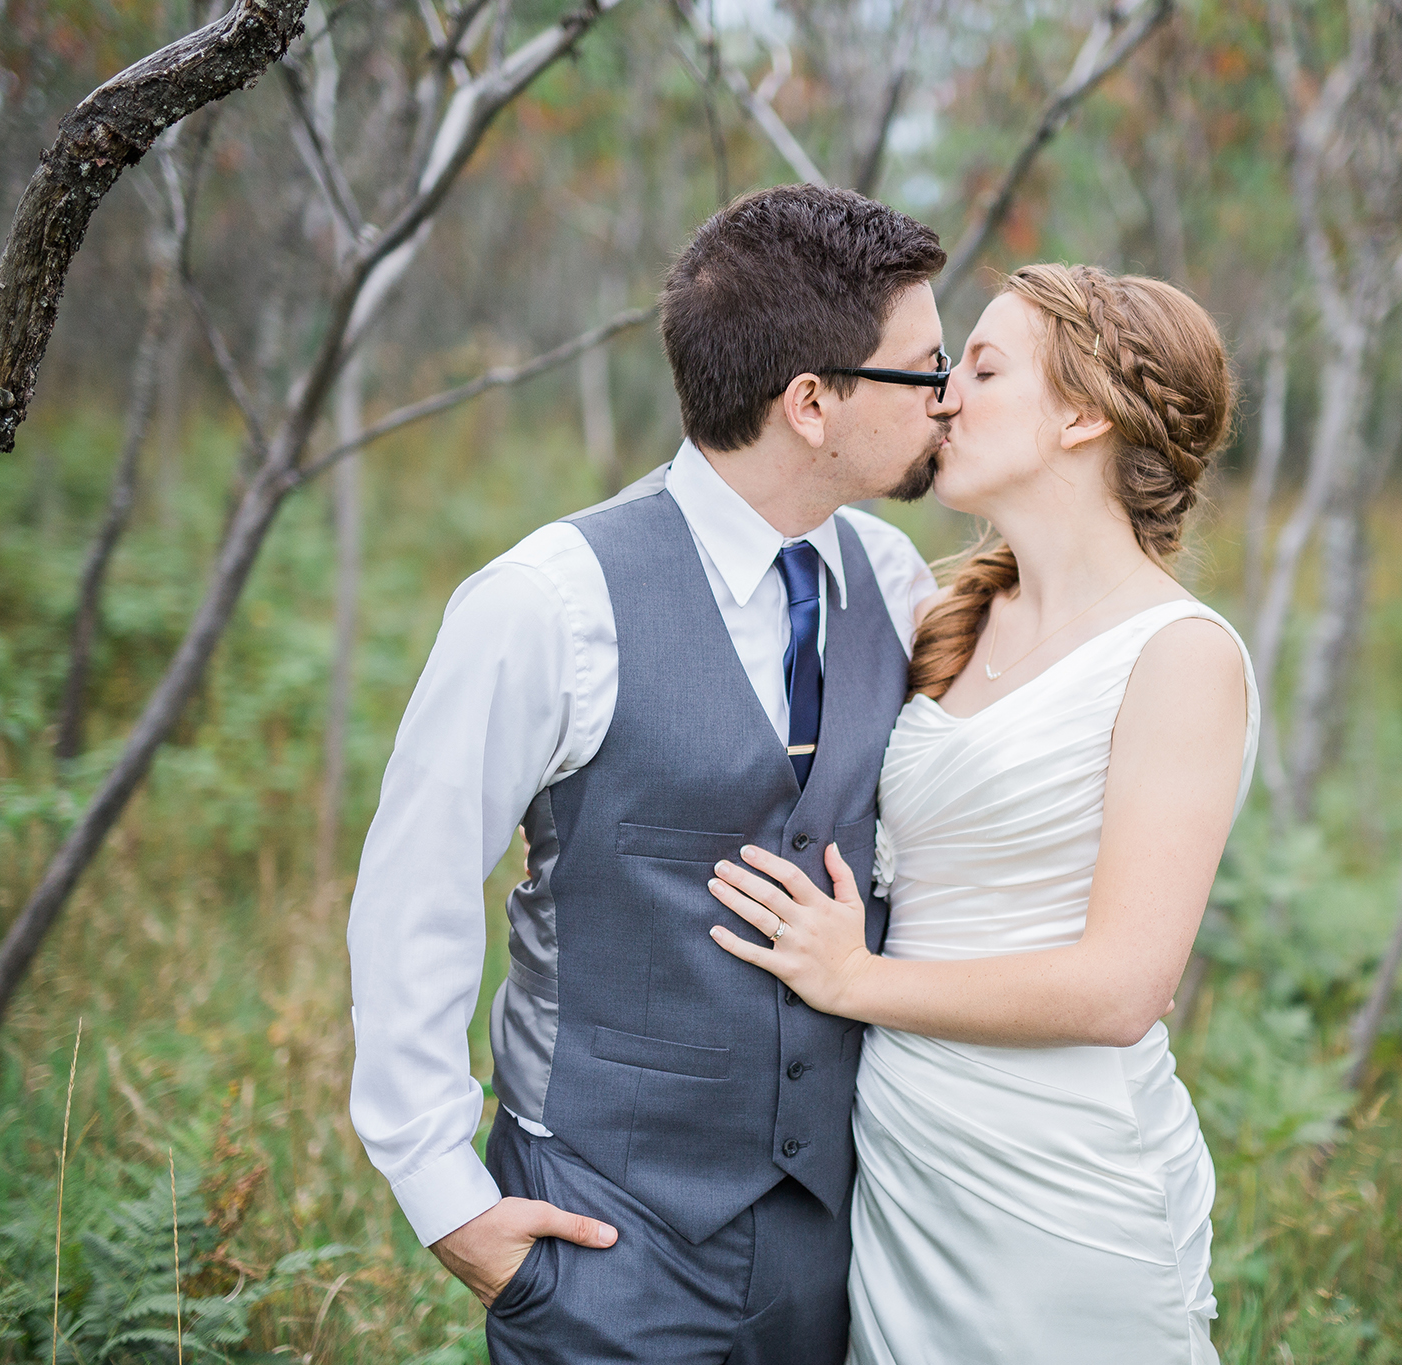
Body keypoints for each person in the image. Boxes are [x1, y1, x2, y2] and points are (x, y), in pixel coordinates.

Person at [345, 184, 951, 1364]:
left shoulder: (891, 575)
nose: (946, 401)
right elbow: (412, 894)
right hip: (604, 1243)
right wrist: (446, 1198)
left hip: (837, 1240)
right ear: (812, 402)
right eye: (922, 371)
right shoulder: (547, 603)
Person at [707, 263, 1255, 1364]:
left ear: (1085, 415)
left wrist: (858, 982)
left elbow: (1122, 987)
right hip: (905, 1165)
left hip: (1056, 1178)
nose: (941, 394)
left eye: (983, 368)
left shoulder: (1179, 656)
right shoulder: (941, 612)